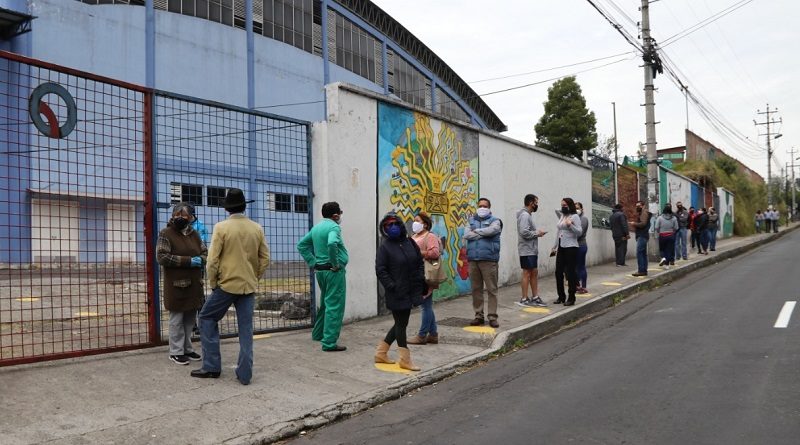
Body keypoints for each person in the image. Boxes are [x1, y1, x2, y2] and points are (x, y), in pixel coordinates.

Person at [192, 188, 270, 385]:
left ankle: (211, 366)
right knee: (246, 329)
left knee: (207, 317)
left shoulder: (221, 227)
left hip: (226, 285)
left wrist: (213, 283)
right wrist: (254, 277)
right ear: (244, 206)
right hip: (248, 286)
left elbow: (212, 260)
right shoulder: (256, 228)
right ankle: (245, 374)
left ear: (227, 209)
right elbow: (265, 258)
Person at [156, 202, 207, 365]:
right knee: (176, 318)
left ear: (191, 217)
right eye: (176, 214)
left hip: (193, 284)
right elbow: (162, 256)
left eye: (183, 215)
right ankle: (176, 351)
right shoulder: (166, 233)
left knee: (190, 318)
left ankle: (187, 349)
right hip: (176, 285)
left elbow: (205, 252)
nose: (179, 217)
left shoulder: (195, 234)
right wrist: (188, 261)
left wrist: (202, 260)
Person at [374, 212, 425, 371]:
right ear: (384, 228)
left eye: (395, 223)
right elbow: (380, 270)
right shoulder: (385, 247)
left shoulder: (410, 242)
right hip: (396, 291)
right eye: (389, 225)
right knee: (402, 324)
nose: (393, 227)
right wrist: (391, 285)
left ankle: (381, 353)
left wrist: (420, 279)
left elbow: (419, 262)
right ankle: (405, 359)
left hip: (411, 289)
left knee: (400, 323)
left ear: (401, 225)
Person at [297, 202, 349, 352]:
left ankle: (318, 334)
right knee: (335, 306)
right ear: (336, 215)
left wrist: (313, 262)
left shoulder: (316, 228)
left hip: (320, 272)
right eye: (340, 213)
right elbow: (332, 243)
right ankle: (329, 342)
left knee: (325, 304)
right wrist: (336, 263)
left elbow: (301, 245)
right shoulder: (334, 227)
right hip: (333, 272)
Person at [463, 197, 503, 328]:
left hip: (489, 260)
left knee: (492, 289)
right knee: (476, 289)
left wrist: (477, 232)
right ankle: (478, 315)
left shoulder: (495, 221)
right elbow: (466, 234)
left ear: (489, 208)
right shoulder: (471, 220)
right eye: (480, 206)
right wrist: (483, 234)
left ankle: (492, 317)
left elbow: (492, 230)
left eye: (485, 206)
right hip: (473, 259)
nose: (482, 208)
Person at [407, 212, 441, 345]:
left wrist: (418, 253)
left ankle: (422, 335)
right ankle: (433, 334)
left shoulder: (430, 236)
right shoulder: (414, 236)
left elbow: (435, 252)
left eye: (417, 221)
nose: (414, 223)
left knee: (425, 305)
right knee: (426, 305)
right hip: (415, 274)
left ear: (425, 224)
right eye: (414, 220)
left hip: (425, 274)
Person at [515, 194, 547, 307]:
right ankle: (524, 298)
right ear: (530, 203)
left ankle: (535, 297)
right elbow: (524, 232)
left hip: (531, 250)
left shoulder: (527, 215)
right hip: (526, 250)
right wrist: (537, 233)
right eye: (536, 202)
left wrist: (536, 233)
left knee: (533, 272)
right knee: (527, 273)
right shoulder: (525, 216)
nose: (537, 205)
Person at [552, 198, 582, 306]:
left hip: (571, 247)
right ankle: (561, 296)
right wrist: (555, 245)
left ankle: (571, 297)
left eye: (565, 205)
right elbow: (559, 231)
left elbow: (579, 232)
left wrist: (571, 225)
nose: (563, 207)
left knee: (570, 273)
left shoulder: (575, 217)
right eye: (562, 205)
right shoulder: (562, 216)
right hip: (561, 246)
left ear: (570, 205)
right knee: (558, 272)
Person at [630, 200, 652, 277]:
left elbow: (643, 224)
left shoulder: (644, 213)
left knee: (639, 253)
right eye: (636, 206)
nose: (637, 207)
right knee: (643, 253)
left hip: (642, 235)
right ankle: (643, 270)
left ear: (643, 206)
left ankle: (641, 270)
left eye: (639, 205)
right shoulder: (643, 213)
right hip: (643, 235)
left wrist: (634, 224)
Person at [655, 204, 678, 269]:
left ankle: (663, 258)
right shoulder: (674, 218)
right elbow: (676, 227)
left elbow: (656, 227)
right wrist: (672, 231)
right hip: (671, 235)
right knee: (669, 250)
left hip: (662, 235)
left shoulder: (660, 218)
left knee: (662, 249)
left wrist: (660, 231)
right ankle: (667, 265)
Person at [574, 202, 590, 294]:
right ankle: (577, 285)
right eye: (575, 208)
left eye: (578, 208)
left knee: (581, 266)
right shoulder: (574, 218)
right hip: (574, 246)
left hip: (581, 245)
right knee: (575, 267)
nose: (576, 210)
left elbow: (579, 234)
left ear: (582, 209)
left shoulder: (583, 219)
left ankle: (583, 286)